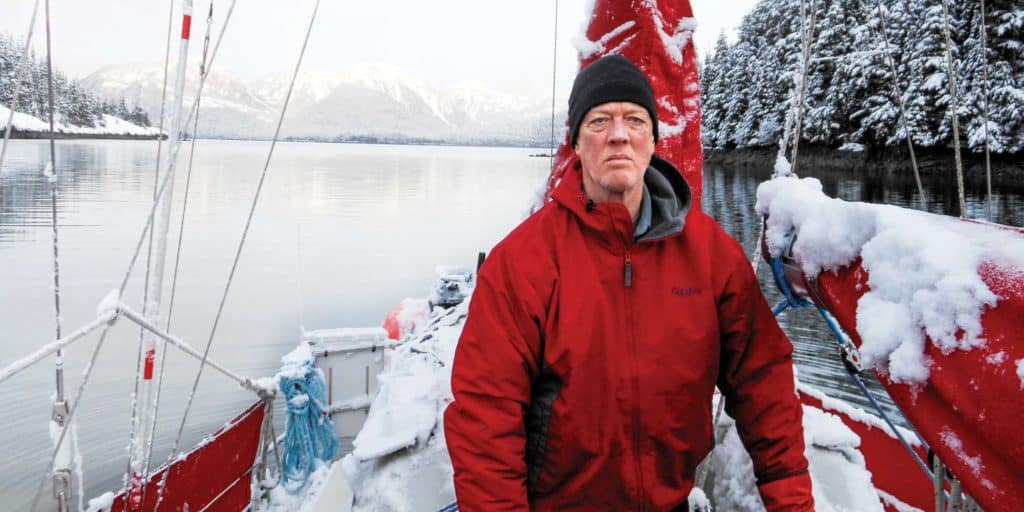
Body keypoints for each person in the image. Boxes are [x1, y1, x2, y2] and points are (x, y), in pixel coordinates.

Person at [443, 54, 814, 511]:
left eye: (635, 120)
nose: (618, 134)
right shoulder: (523, 262)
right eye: (599, 121)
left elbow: (763, 380)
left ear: (652, 140)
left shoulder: (710, 255)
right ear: (576, 144)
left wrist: (792, 502)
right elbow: (485, 417)